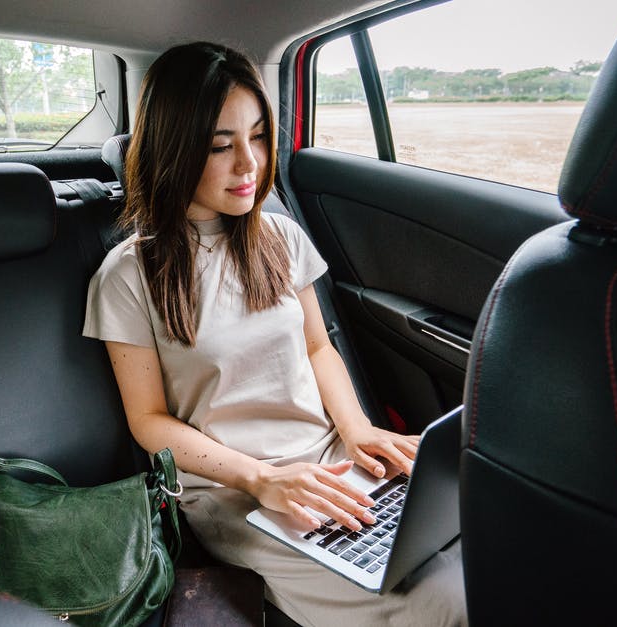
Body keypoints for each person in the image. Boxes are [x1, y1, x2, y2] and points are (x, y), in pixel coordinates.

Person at [83, 41, 465, 626]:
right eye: (220, 145)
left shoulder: (279, 238)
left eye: (258, 137)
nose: (250, 165)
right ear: (173, 149)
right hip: (237, 493)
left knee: (480, 542)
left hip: (332, 461)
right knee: (435, 605)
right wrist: (262, 478)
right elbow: (148, 420)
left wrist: (359, 430)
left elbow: (317, 346)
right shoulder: (130, 274)